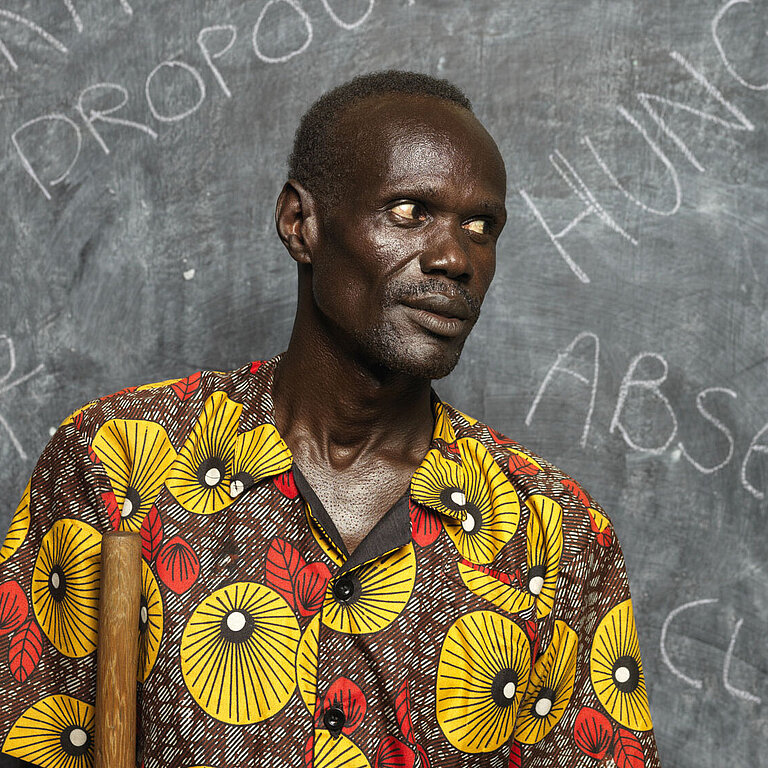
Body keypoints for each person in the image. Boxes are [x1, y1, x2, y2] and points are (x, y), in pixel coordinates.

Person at [0, 71, 661, 768]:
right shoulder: (116, 466)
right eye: (409, 211)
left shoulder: (557, 535)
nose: (454, 258)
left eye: (480, 226)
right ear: (300, 224)